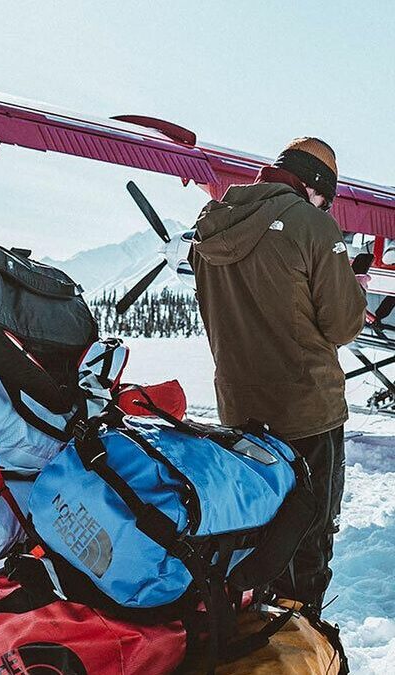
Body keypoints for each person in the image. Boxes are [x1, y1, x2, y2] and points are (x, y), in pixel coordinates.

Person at [188, 137, 366, 616]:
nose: (325, 208)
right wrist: (350, 285)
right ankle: (300, 637)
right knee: (308, 537)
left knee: (254, 534)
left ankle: (252, 628)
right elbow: (343, 325)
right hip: (307, 412)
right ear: (314, 186)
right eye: (326, 199)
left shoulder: (210, 224)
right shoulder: (313, 226)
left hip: (240, 414)